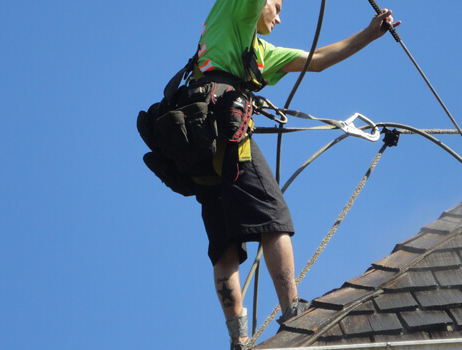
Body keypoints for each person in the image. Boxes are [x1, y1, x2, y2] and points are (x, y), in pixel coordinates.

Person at [148, 1, 399, 349]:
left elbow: (320, 58)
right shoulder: (235, 10)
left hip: (198, 147)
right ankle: (292, 308)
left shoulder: (260, 51)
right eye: (277, 6)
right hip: (225, 134)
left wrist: (370, 33)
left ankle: (239, 341)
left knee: (225, 248)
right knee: (273, 217)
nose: (279, 17)